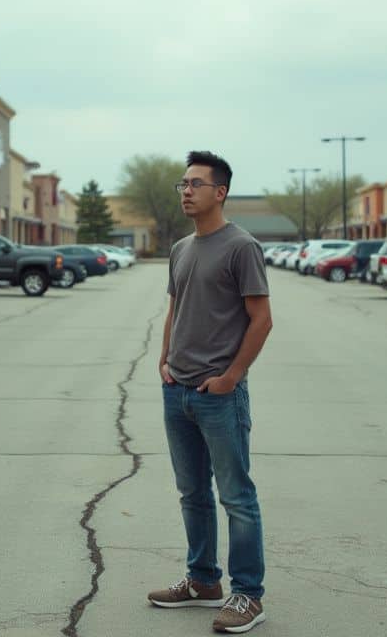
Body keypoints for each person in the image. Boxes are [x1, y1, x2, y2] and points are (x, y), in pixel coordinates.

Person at [147, 151, 273, 633]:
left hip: (219, 395)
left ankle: (248, 595)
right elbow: (175, 311)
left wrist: (231, 377)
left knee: (237, 496)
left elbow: (261, 319)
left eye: (196, 184)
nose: (186, 191)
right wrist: (164, 363)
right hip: (177, 391)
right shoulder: (181, 249)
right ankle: (202, 581)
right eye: (183, 184)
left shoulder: (242, 247)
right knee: (192, 493)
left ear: (220, 192)